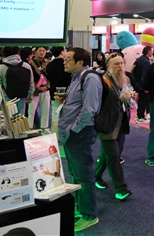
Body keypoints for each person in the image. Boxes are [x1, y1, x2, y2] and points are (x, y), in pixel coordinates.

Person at [57, 47, 101, 232]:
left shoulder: (90, 78)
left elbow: (89, 109)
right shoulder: (76, 78)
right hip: (71, 134)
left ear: (80, 62)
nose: (64, 62)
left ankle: (89, 215)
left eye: (68, 59)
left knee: (84, 175)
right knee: (75, 173)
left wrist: (74, 129)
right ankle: (81, 207)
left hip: (80, 133)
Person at [94, 53, 133, 200]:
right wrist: (120, 99)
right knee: (113, 156)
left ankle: (95, 176)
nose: (120, 66)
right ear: (108, 65)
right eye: (116, 64)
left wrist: (130, 97)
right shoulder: (103, 81)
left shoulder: (125, 79)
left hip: (120, 122)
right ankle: (120, 188)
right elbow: (102, 104)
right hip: (107, 124)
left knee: (108, 154)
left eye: (122, 63)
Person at [0, 46, 34, 114]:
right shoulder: (26, 66)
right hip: (22, 98)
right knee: (20, 117)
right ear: (18, 53)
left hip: (6, 99)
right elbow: (31, 82)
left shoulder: (0, 68)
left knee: (7, 118)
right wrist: (30, 95)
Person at [46, 47, 72, 134]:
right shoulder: (67, 65)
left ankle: (55, 134)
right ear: (62, 52)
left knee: (55, 114)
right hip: (67, 93)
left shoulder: (49, 65)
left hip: (54, 93)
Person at [29, 46, 51, 132]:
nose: (42, 52)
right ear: (35, 52)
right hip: (34, 90)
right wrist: (37, 87)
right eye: (40, 50)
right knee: (31, 111)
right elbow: (29, 78)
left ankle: (44, 127)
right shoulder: (31, 63)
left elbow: (51, 76)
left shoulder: (48, 62)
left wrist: (47, 86)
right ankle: (29, 127)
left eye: (43, 51)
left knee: (46, 110)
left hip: (46, 89)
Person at [133, 46, 152, 123]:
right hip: (142, 85)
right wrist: (146, 86)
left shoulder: (140, 59)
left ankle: (140, 115)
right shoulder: (145, 61)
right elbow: (145, 75)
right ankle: (140, 116)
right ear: (148, 52)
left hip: (139, 83)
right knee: (143, 100)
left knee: (142, 100)